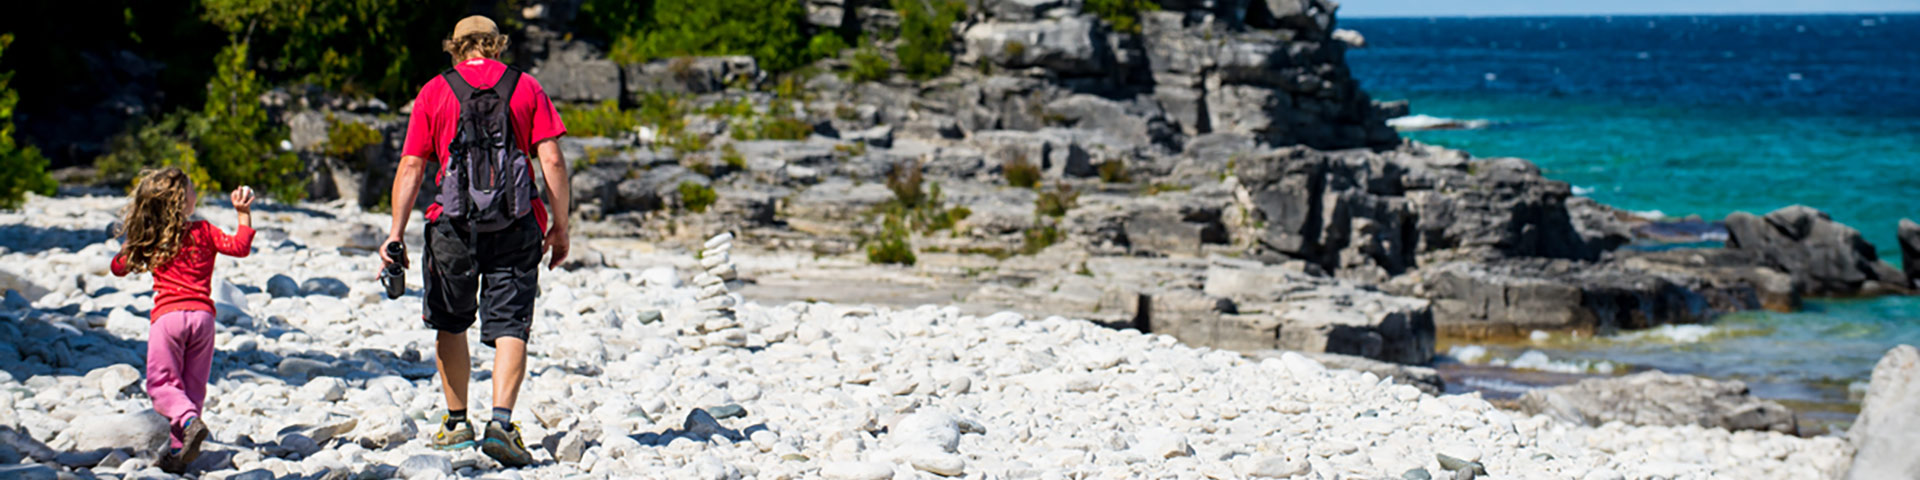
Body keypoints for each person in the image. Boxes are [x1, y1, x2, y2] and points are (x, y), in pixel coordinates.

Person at [381, 15, 569, 467]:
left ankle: (456, 423)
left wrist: (394, 233)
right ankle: (501, 424)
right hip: (517, 223)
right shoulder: (526, 87)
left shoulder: (434, 90)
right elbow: (554, 161)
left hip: (451, 226)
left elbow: (411, 167)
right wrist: (561, 225)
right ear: (497, 46)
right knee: (510, 325)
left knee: (451, 320)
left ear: (455, 48)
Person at [109, 168, 256, 474]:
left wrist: (134, 235)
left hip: (168, 319)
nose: (196, 195)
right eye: (192, 190)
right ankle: (179, 451)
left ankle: (188, 423)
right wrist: (243, 214)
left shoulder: (151, 237)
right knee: (192, 387)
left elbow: (118, 268)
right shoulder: (203, 229)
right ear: (183, 201)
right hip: (203, 319)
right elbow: (239, 247)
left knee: (162, 386)